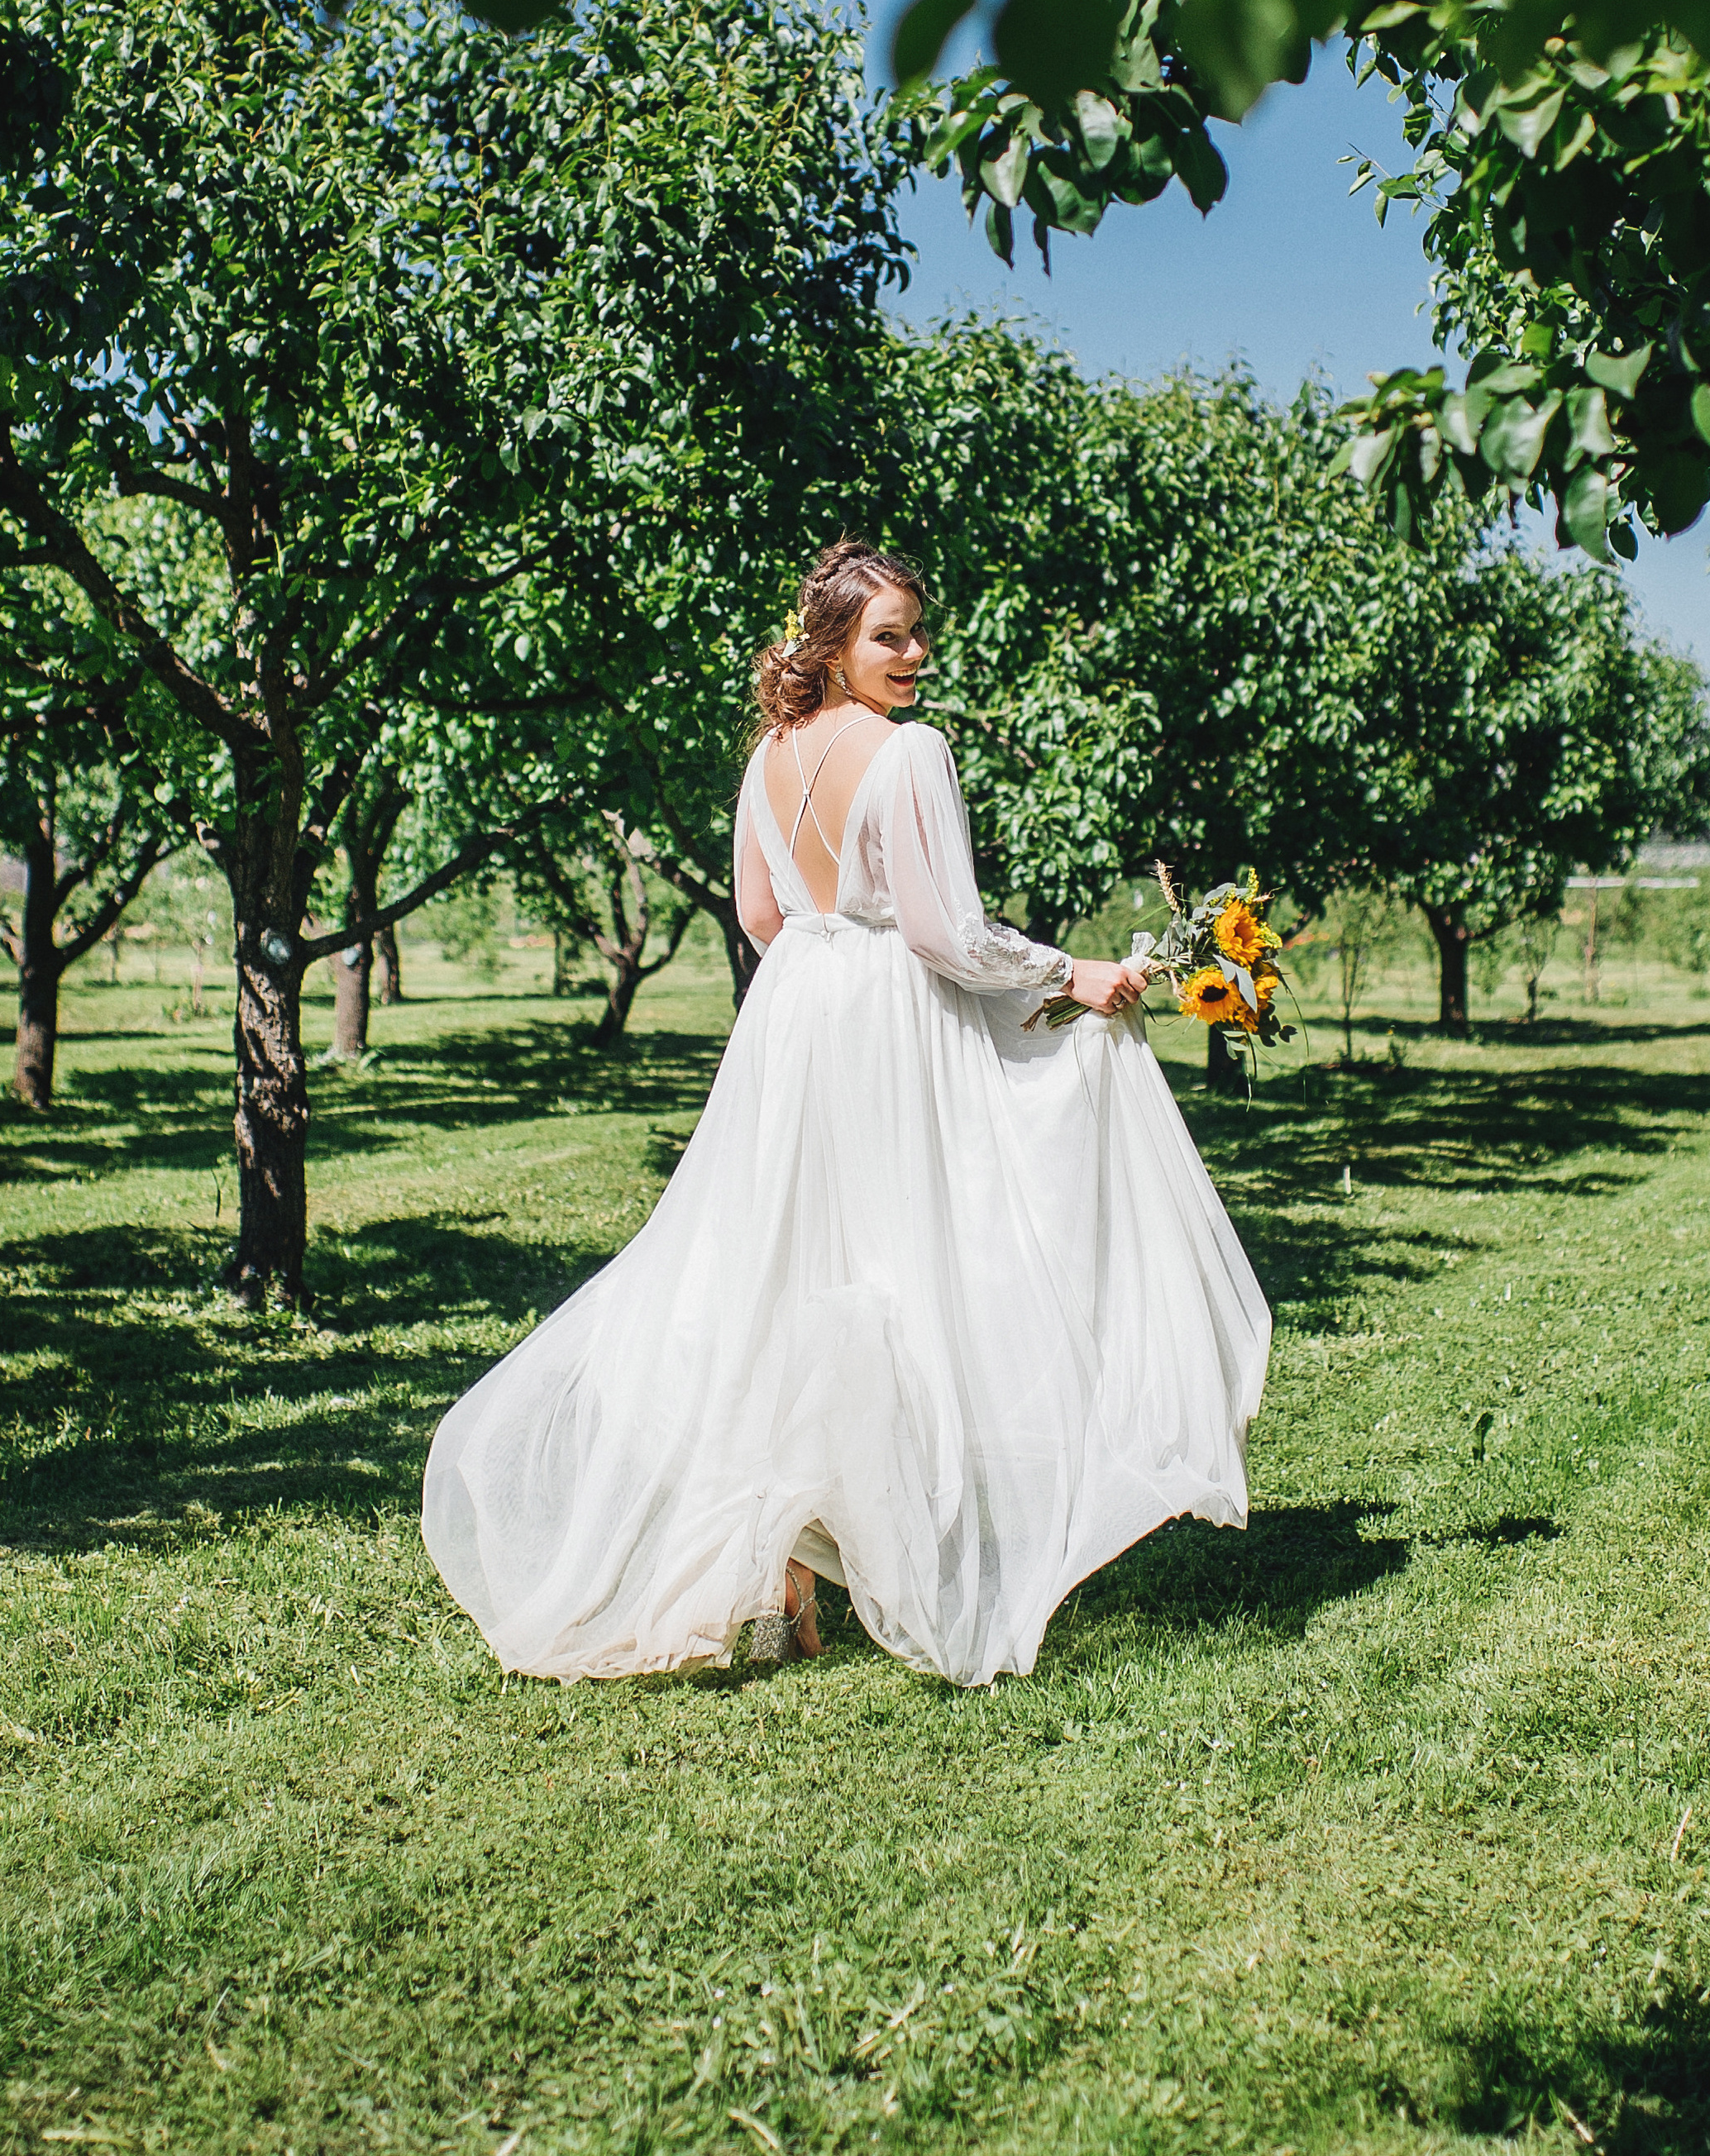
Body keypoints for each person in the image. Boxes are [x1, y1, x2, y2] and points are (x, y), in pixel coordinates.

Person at [421, 538, 1270, 1686]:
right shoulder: (910, 753)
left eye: (918, 633)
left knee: (782, 1269)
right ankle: (897, 1549)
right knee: (905, 1261)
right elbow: (944, 937)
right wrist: (1071, 973)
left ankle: (790, 1563)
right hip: (882, 1021)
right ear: (832, 645)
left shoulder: (768, 753)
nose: (915, 654)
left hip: (792, 1020)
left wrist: (827, 965)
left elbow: (761, 914)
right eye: (890, 636)